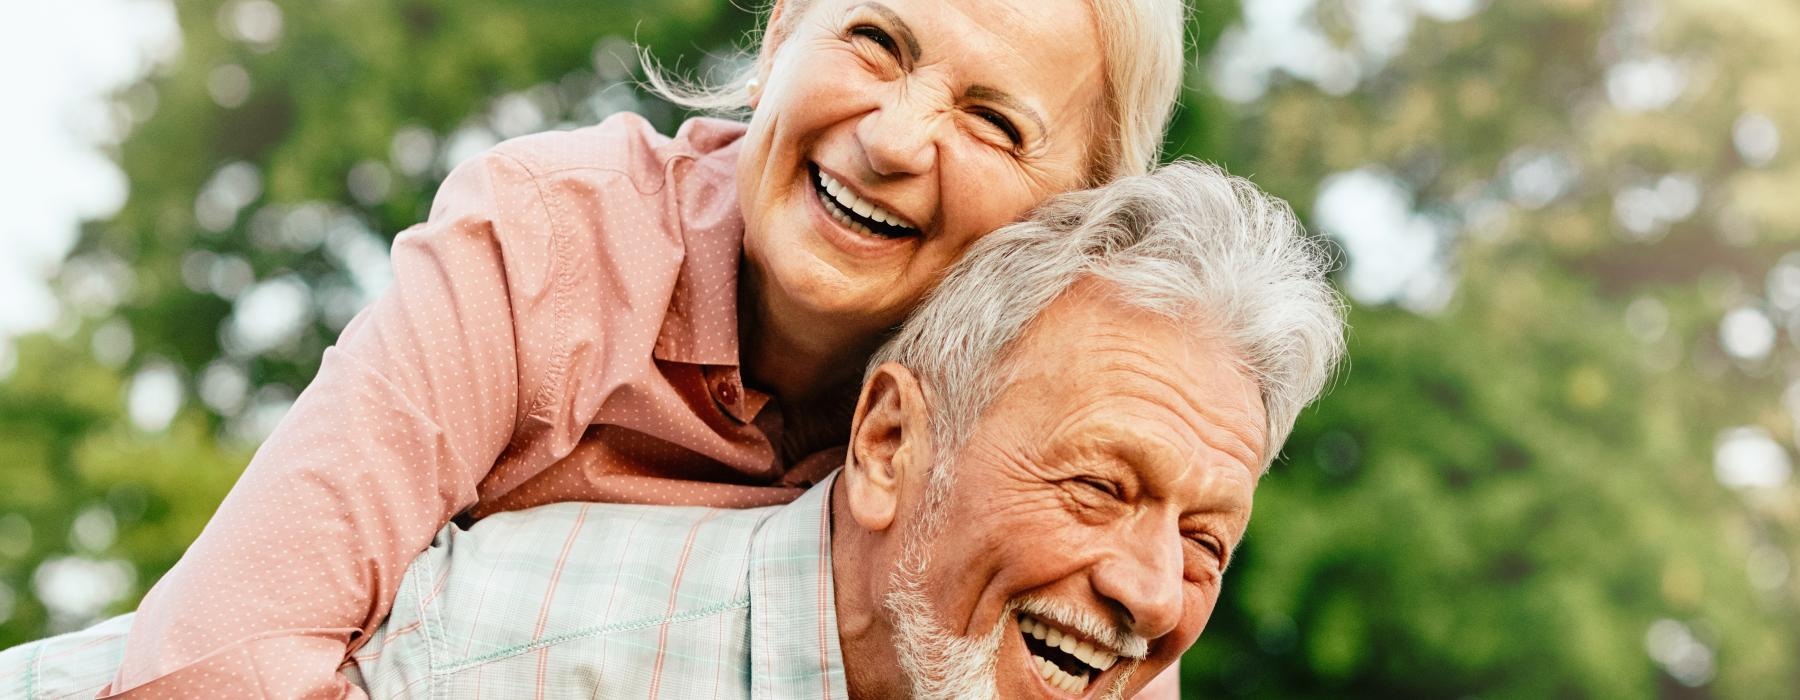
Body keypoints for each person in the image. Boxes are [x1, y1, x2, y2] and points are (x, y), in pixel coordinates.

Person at [99, 0, 1194, 696]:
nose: (894, 138)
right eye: (874, 41)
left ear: (1073, 219)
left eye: (994, 121)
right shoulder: (542, 240)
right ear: (780, 36)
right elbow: (216, 665)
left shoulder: (1058, 429)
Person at [6, 162, 1346, 699]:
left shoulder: (1015, 645)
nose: (1152, 588)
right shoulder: (514, 651)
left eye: (1208, 542)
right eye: (1101, 486)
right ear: (887, 447)